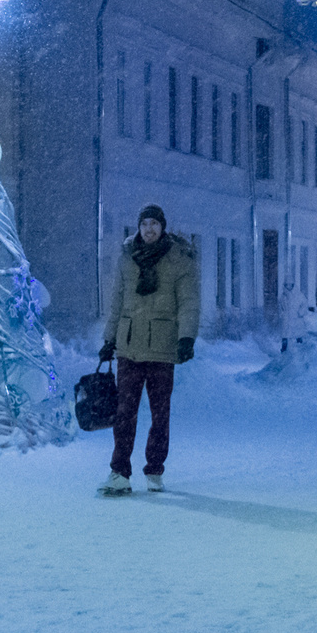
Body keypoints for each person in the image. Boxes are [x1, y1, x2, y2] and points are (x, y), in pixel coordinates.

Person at [97, 205, 200, 495]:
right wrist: (109, 340)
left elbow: (189, 302)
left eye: (154, 223)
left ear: (162, 227)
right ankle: (119, 472)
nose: (149, 229)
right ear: (139, 227)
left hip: (162, 348)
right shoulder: (127, 258)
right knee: (124, 413)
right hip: (129, 346)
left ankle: (154, 469)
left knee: (159, 415)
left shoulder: (179, 259)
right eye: (144, 224)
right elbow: (117, 302)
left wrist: (186, 338)